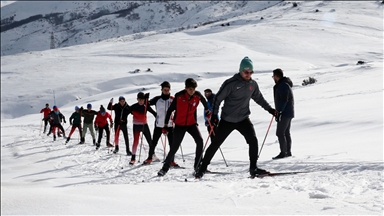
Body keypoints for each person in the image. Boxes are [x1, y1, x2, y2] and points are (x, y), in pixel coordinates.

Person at [195, 57, 276, 179]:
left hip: (243, 118)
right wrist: (214, 117)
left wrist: (270, 110)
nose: (248, 74)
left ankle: (253, 168)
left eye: (251, 72)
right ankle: (202, 168)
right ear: (240, 71)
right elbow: (218, 99)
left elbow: (259, 98)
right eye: (246, 72)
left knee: (253, 141)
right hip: (227, 120)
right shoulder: (231, 83)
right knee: (216, 143)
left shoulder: (252, 85)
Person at [157, 78, 210, 176]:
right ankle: (165, 168)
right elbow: (169, 111)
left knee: (200, 141)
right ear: (185, 88)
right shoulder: (179, 96)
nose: (192, 91)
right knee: (174, 147)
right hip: (179, 125)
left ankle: (198, 166)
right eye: (190, 89)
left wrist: (207, 110)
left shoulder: (197, 95)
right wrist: (165, 125)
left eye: (193, 89)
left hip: (191, 124)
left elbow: (204, 102)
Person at [143, 81, 176, 165]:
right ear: (161, 90)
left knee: (172, 144)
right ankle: (150, 158)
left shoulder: (172, 99)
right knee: (153, 143)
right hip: (159, 124)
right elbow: (146, 105)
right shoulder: (157, 99)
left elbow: (178, 109)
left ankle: (171, 160)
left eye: (168, 90)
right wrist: (146, 99)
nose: (166, 91)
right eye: (165, 90)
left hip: (170, 125)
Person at [271, 68, 294, 159]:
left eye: (273, 76)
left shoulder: (283, 85)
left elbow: (284, 99)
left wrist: (279, 111)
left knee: (280, 132)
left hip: (285, 112)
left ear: (277, 76)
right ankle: (287, 152)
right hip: (288, 112)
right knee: (286, 132)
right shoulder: (284, 84)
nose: (273, 78)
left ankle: (283, 152)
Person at [129, 92, 157, 164]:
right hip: (136, 126)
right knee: (135, 142)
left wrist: (157, 117)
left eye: (142, 100)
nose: (141, 101)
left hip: (144, 125)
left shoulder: (146, 106)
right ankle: (133, 158)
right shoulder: (133, 107)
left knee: (150, 141)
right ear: (137, 99)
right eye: (140, 99)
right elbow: (126, 112)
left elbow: (153, 113)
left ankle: (152, 155)